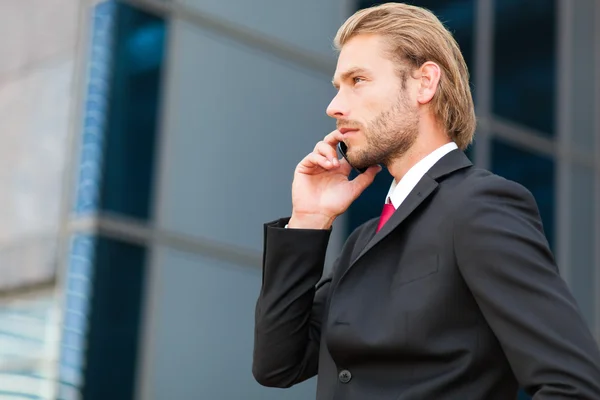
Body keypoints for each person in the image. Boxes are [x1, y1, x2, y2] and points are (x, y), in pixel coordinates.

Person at [252, 3, 600, 399]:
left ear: (425, 82)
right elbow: (277, 365)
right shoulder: (363, 241)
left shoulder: (480, 205)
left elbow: (572, 385)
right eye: (338, 87)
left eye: (358, 80)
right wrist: (309, 219)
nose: (335, 107)